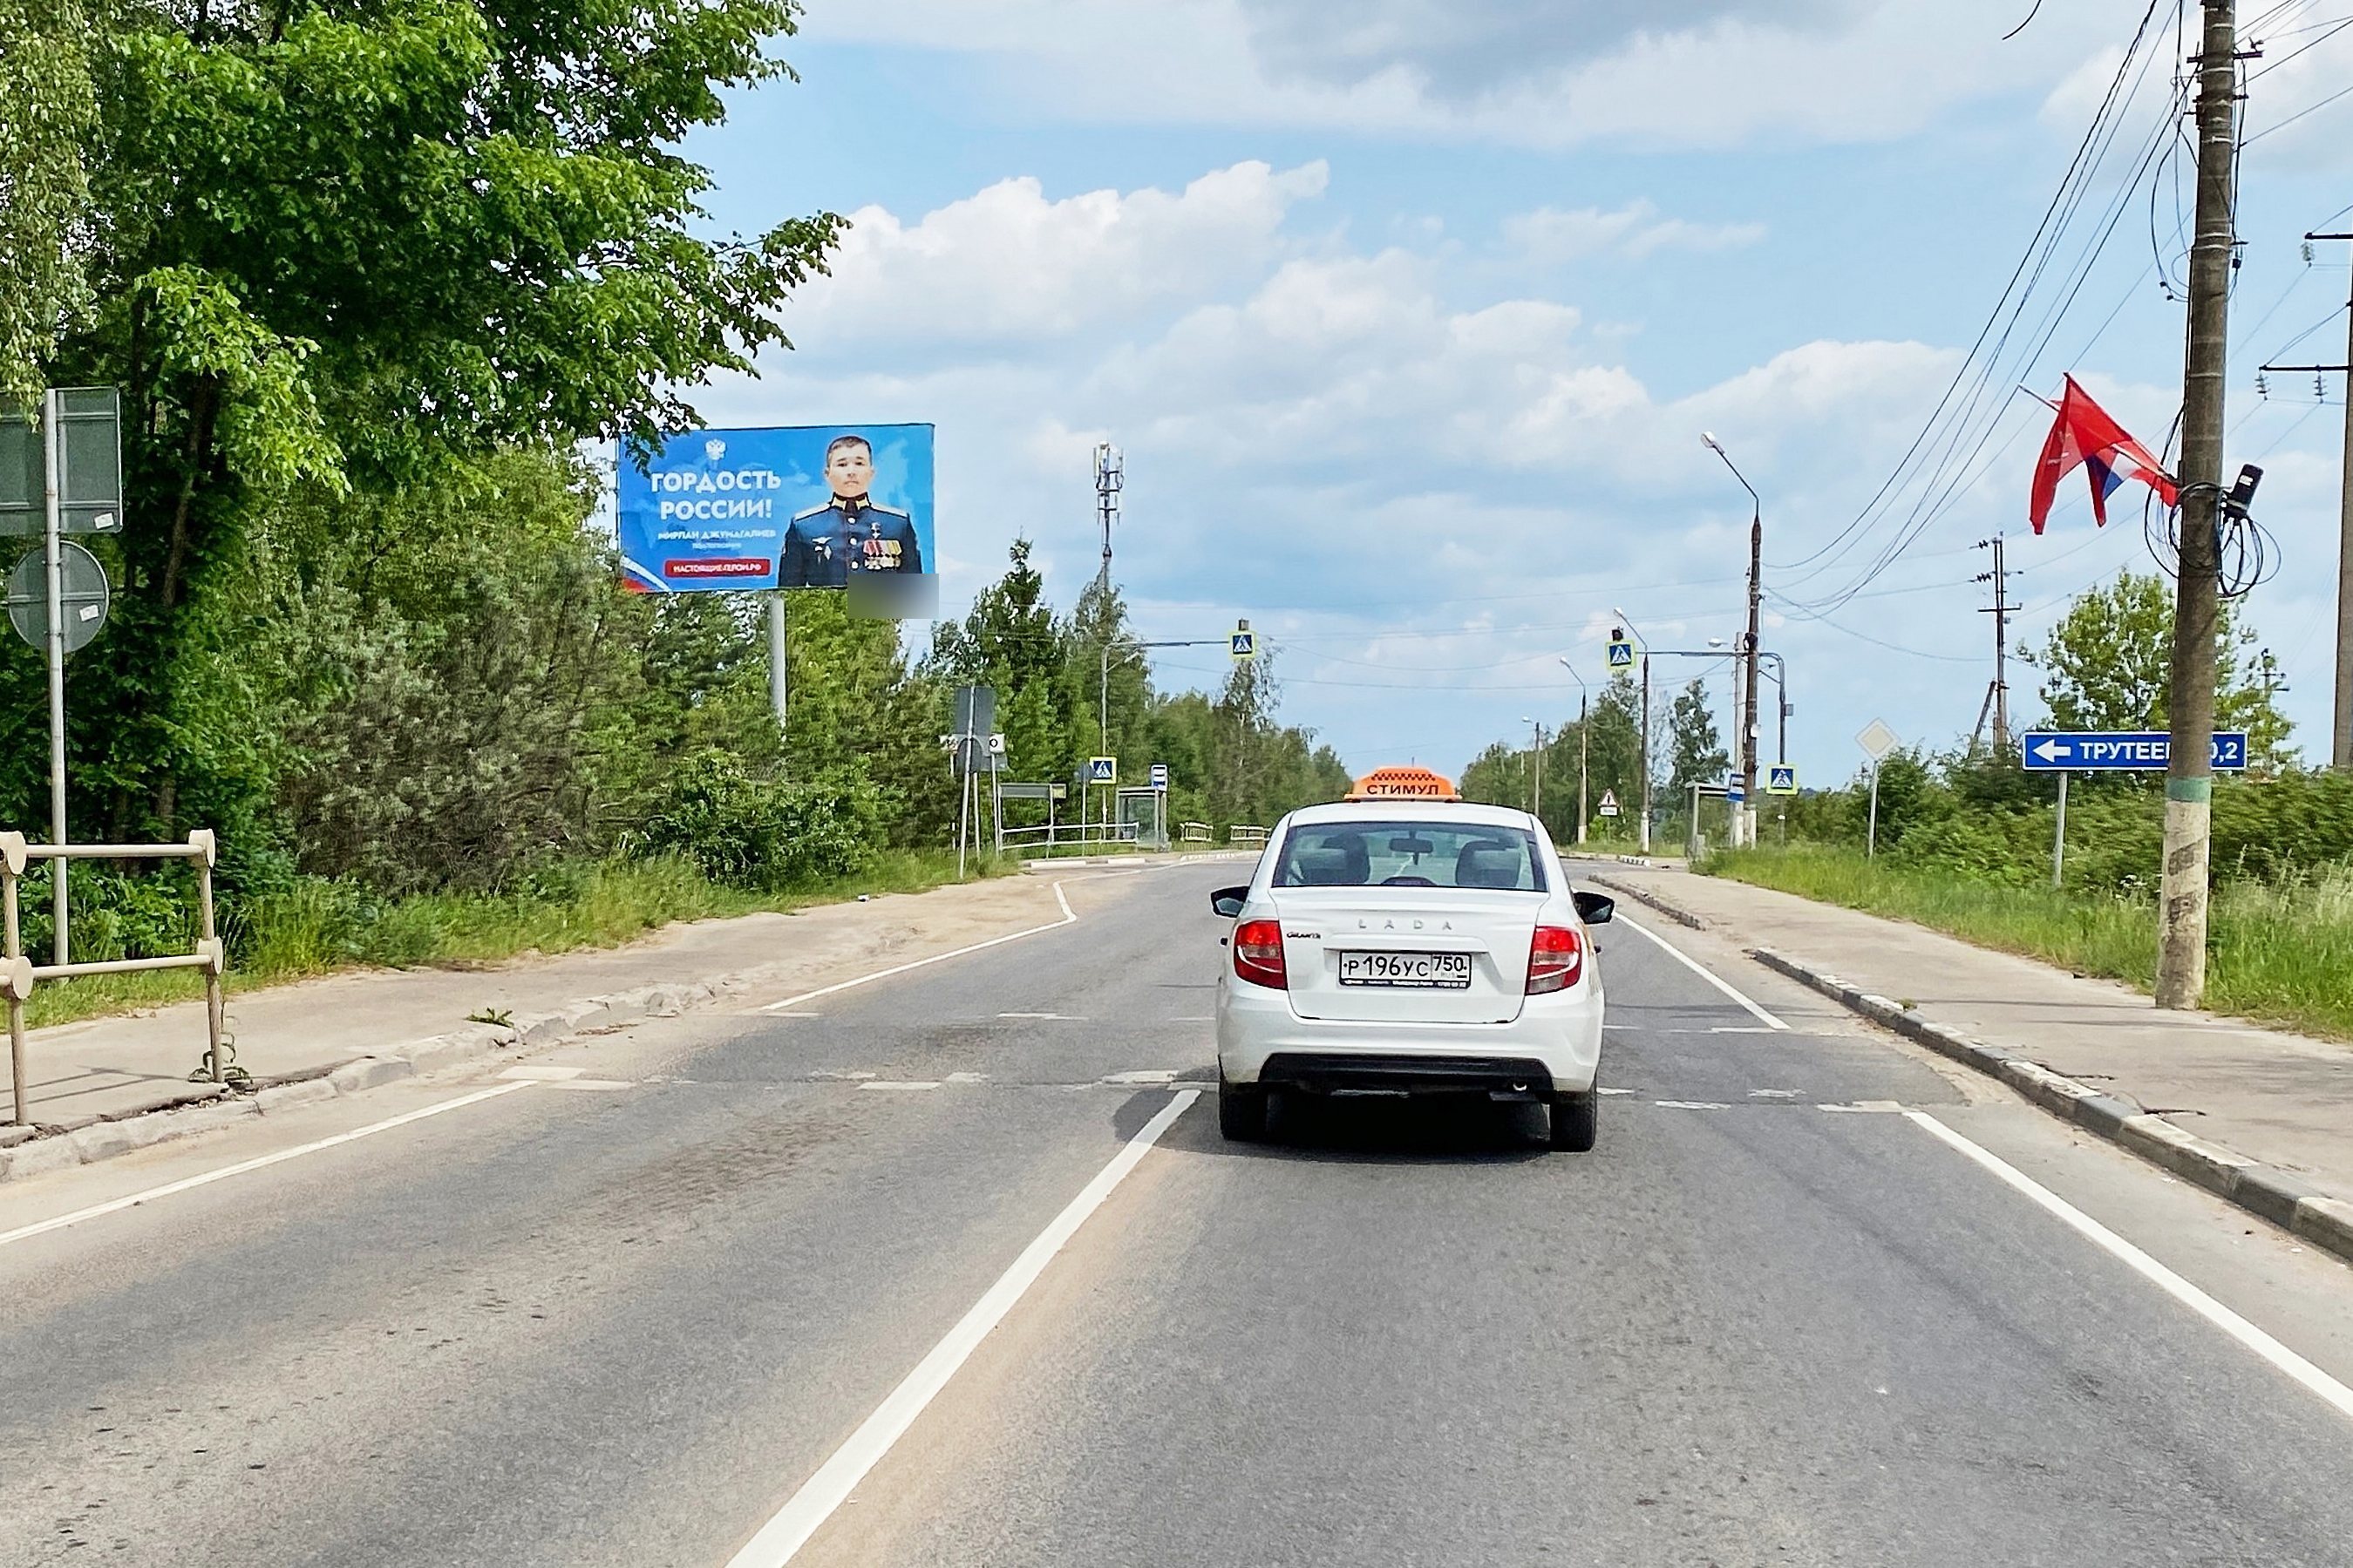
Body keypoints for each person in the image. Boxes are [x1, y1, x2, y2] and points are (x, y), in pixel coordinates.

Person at [776, 434, 925, 587]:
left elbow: (914, 597)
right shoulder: (804, 526)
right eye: (842, 464)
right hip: (825, 610)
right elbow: (788, 594)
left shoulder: (897, 523)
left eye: (859, 463)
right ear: (827, 474)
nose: (851, 471)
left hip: (880, 611)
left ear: (871, 472)